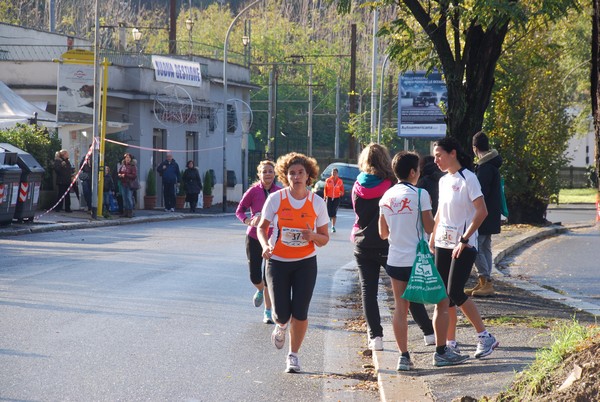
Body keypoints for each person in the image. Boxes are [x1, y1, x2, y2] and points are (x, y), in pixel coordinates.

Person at [379, 151, 468, 371]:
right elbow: (429, 227)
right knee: (441, 301)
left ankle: (404, 357)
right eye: (417, 169)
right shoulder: (420, 194)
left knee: (401, 308)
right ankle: (440, 352)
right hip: (419, 261)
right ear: (413, 172)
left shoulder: (386, 196)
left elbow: (382, 232)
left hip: (396, 260)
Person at [351, 143, 435, 353]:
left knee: (368, 291)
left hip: (363, 245)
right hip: (390, 246)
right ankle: (428, 332)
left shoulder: (356, 186)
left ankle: (376, 337)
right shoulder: (391, 186)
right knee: (409, 291)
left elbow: (358, 215)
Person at [257, 152, 329, 373]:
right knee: (281, 313)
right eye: (292, 173)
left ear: (309, 176)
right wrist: (265, 246)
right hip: (277, 261)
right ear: (285, 176)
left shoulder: (317, 202)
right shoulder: (276, 199)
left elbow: (325, 238)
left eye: (300, 173)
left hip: (305, 263)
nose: (296, 177)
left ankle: (293, 356)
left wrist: (313, 236)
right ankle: (280, 325)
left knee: (300, 312)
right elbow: (261, 228)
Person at [430, 136, 499, 359]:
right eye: (434, 156)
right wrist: (433, 236)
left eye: (439, 155)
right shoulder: (443, 180)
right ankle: (451, 343)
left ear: (453, 154)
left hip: (464, 244)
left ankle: (484, 337)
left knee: (455, 292)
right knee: (444, 297)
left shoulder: (469, 178)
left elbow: (482, 211)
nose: (436, 160)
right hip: (443, 242)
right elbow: (440, 211)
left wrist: (465, 239)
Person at [236, 160, 281, 324]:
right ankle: (260, 289)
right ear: (259, 174)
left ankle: (268, 311)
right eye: (264, 171)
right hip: (254, 237)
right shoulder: (253, 191)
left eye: (270, 171)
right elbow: (239, 210)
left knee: (268, 276)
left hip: (272, 238)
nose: (268, 174)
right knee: (255, 276)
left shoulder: (279, 192)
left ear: (274, 173)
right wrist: (248, 221)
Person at [466, 131, 503, 297]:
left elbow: (479, 193)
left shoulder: (484, 168)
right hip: (492, 214)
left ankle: (485, 280)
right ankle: (485, 281)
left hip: (483, 214)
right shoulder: (492, 165)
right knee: (486, 247)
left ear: (475, 148)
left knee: (476, 247)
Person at [323, 168, 344, 232]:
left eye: (335, 172)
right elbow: (325, 189)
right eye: (332, 172)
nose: (333, 173)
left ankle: (333, 226)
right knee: (328, 212)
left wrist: (341, 193)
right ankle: (325, 226)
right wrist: (325, 197)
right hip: (329, 197)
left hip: (336, 198)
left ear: (337, 173)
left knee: (334, 212)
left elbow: (342, 190)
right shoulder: (328, 180)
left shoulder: (340, 181)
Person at [117, 153, 137, 218]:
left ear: (130, 159)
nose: (127, 159)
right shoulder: (123, 166)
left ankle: (130, 212)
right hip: (123, 183)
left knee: (129, 197)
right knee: (124, 198)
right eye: (126, 157)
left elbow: (134, 176)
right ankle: (125, 212)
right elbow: (119, 172)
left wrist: (125, 175)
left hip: (129, 184)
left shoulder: (132, 166)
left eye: (128, 158)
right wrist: (120, 175)